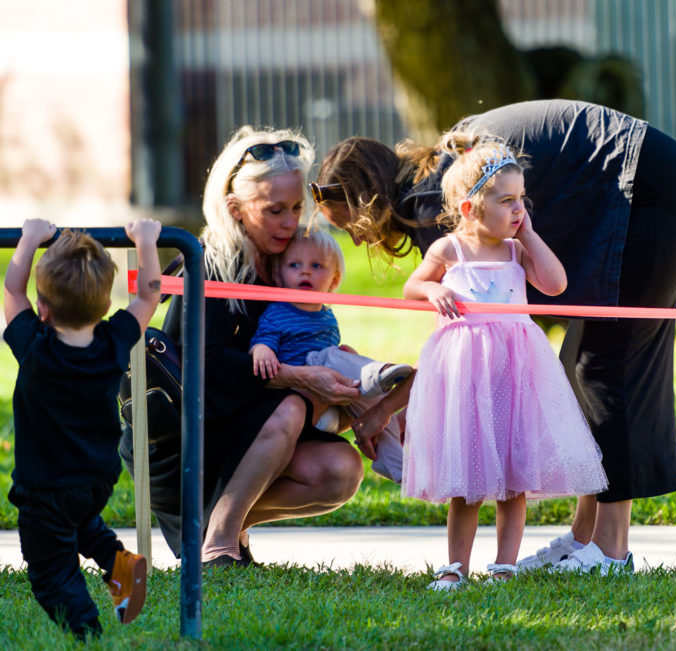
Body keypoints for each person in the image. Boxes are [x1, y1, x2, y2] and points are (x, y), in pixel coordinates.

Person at [313, 99, 676, 575]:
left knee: (607, 363)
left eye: (351, 227)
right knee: (579, 364)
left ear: (368, 202)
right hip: (647, 184)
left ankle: (609, 551)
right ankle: (584, 538)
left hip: (652, 189)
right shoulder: (442, 175)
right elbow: (461, 347)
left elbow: (454, 347)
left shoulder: (430, 203)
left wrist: (381, 411)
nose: (359, 242)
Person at [119, 126, 410, 567]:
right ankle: (218, 540)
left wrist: (340, 369)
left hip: (247, 426)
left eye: (296, 207)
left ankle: (217, 520)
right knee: (294, 404)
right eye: (274, 210)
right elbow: (206, 364)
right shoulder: (212, 261)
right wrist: (300, 377)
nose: (290, 221)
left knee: (342, 472)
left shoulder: (287, 258)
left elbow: (299, 338)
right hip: (185, 438)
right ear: (235, 209)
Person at [401, 136, 608, 589]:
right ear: (472, 209)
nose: (519, 210)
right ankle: (457, 565)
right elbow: (411, 288)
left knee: (515, 475)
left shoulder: (517, 251)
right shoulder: (450, 251)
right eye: (507, 201)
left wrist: (530, 235)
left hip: (516, 373)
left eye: (522, 200)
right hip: (467, 375)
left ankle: (505, 564)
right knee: (469, 479)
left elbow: (555, 285)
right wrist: (434, 290)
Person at [3, 218, 162, 639]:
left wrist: (29, 239)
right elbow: (149, 294)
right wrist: (146, 242)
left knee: (50, 572)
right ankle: (121, 567)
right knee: (81, 525)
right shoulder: (113, 343)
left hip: (46, 489)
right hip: (95, 479)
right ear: (104, 305)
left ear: (45, 310)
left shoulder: (35, 348)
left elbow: (10, 289)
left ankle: (87, 632)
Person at [248, 226, 412, 481]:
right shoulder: (278, 312)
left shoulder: (326, 315)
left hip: (329, 405)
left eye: (316, 266)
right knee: (325, 358)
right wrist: (262, 350)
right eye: (294, 265)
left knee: (376, 407)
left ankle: (394, 463)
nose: (305, 271)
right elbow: (263, 340)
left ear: (334, 281)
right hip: (297, 392)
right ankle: (373, 374)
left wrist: (349, 358)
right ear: (278, 277)